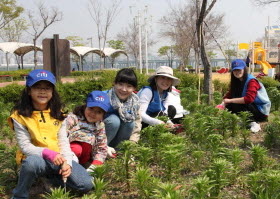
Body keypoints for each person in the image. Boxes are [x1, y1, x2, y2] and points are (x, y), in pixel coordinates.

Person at [8, 69, 93, 199]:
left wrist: (67, 163)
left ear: (52, 92)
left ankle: (48, 180)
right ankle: (19, 194)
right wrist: (49, 153)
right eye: (37, 87)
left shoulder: (59, 114)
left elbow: (63, 142)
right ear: (29, 91)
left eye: (47, 88)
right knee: (31, 164)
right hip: (37, 159)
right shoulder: (19, 116)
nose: (43, 91)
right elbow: (25, 146)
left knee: (86, 184)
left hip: (59, 159)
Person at [221, 59, 271, 133]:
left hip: (260, 111)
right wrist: (222, 104)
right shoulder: (237, 81)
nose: (237, 72)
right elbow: (229, 95)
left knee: (235, 102)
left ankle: (254, 123)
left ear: (244, 69)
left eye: (239, 70)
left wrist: (230, 100)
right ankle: (245, 121)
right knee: (229, 105)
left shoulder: (252, 81)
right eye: (235, 70)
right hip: (251, 108)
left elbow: (249, 99)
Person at [65, 90, 110, 171]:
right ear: (85, 106)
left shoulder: (100, 126)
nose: (93, 114)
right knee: (77, 149)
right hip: (69, 153)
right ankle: (72, 164)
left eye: (98, 112)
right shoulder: (73, 118)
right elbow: (62, 134)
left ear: (103, 114)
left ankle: (84, 166)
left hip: (88, 157)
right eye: (91, 109)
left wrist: (95, 165)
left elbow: (102, 148)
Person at [103, 68, 141, 155]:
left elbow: (137, 125)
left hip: (118, 141)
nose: (124, 89)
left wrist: (132, 143)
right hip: (100, 139)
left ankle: (118, 151)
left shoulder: (135, 102)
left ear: (134, 88)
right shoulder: (103, 97)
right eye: (120, 84)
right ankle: (101, 150)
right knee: (114, 120)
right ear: (114, 83)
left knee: (130, 123)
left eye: (129, 86)